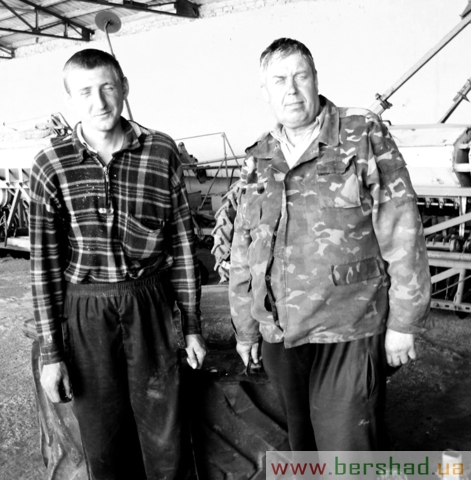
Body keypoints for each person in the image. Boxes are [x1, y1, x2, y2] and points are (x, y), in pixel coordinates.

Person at [225, 38, 431, 451]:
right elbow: (244, 248)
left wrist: (404, 323)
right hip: (281, 335)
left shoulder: (361, 134)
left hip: (348, 329)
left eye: (300, 76)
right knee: (303, 449)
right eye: (279, 80)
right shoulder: (259, 157)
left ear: (316, 80)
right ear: (265, 91)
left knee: (347, 452)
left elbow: (402, 228)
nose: (291, 90)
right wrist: (245, 329)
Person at [30, 48, 207, 480]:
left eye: (108, 87)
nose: (99, 102)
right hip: (86, 311)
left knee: (167, 438)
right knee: (104, 442)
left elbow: (183, 244)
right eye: (85, 92)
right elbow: (43, 268)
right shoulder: (50, 165)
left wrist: (191, 326)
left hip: (150, 303)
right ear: (70, 99)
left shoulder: (160, 151)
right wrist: (52, 354)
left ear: (124, 87)